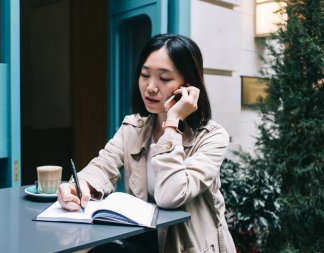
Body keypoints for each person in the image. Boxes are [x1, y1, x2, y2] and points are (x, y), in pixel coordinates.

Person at [57, 33, 236, 253]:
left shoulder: (212, 137)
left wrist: (172, 123)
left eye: (164, 78)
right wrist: (78, 186)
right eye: (144, 75)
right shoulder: (133, 127)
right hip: (145, 241)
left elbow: (171, 195)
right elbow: (102, 167)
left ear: (188, 86)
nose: (150, 87)